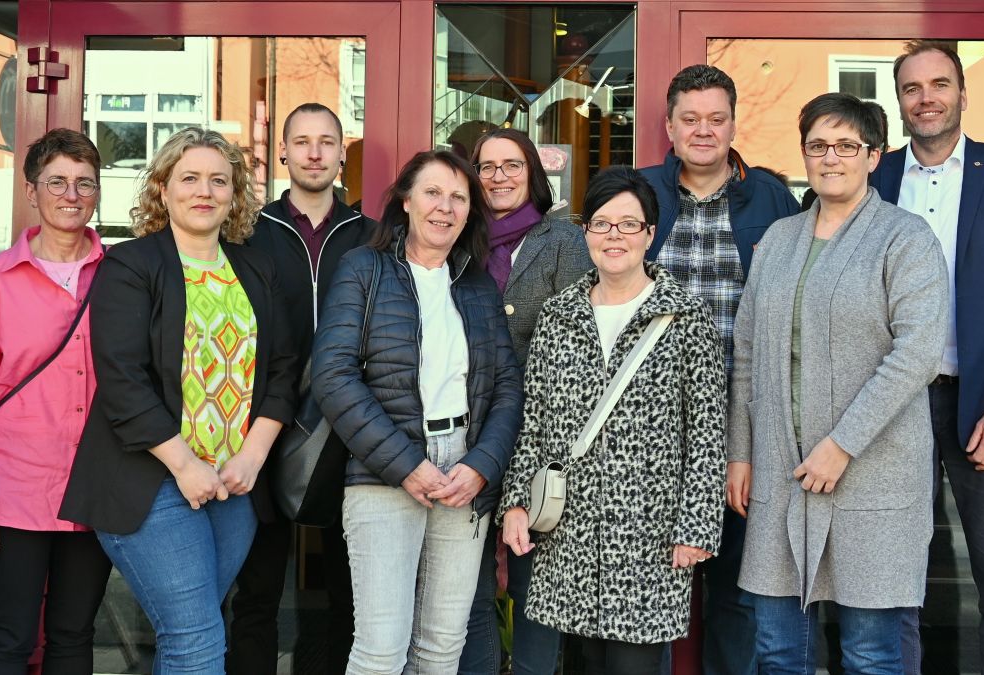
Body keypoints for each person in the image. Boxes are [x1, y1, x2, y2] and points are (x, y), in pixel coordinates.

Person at [58, 126, 298, 673]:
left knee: (195, 631)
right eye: (189, 178)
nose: (204, 191)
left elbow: (283, 369)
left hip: (234, 483)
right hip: (153, 480)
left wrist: (253, 456)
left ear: (235, 194)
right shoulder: (132, 265)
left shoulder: (255, 268)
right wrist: (186, 465)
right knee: (196, 638)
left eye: (219, 180)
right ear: (163, 189)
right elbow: (123, 380)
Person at [726, 93, 948, 675]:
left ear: (874, 156)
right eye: (818, 146)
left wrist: (841, 444)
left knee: (871, 655)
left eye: (847, 146)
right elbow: (746, 352)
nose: (832, 158)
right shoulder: (778, 240)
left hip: (872, 473)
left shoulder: (905, 238)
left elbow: (917, 353)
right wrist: (740, 454)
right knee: (777, 651)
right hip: (782, 472)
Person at [498, 165, 727, 675]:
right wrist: (515, 503)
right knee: (582, 662)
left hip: (650, 534)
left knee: (634, 664)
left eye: (629, 224)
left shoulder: (685, 318)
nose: (614, 236)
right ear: (586, 233)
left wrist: (696, 527)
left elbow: (708, 435)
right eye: (602, 224)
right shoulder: (559, 315)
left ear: (650, 233)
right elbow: (534, 417)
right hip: (568, 532)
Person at [311, 150, 523, 674]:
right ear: (405, 200)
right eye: (432, 193)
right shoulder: (364, 268)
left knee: (441, 648)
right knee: (381, 649)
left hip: (464, 474)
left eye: (458, 198)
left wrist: (482, 466)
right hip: (383, 471)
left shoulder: (476, 285)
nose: (444, 208)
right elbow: (333, 375)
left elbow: (507, 389)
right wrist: (407, 464)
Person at [638, 64, 799, 675]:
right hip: (651, 423)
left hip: (745, 424)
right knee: (649, 583)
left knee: (737, 590)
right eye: (690, 119)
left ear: (734, 124)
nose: (703, 131)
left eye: (716, 119)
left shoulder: (773, 198)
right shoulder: (639, 191)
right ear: (669, 125)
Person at [0, 128, 112, 674]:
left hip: (94, 489)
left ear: (98, 193)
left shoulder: (120, 276)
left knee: (73, 636)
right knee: (8, 638)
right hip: (14, 491)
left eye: (84, 183)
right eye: (57, 182)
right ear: (31, 190)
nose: (72, 195)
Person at [228, 103, 376, 675]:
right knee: (258, 591)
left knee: (347, 589)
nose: (315, 152)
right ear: (283, 152)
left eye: (327, 142)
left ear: (343, 153)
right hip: (260, 427)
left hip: (346, 430)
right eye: (302, 141)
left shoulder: (370, 236)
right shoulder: (248, 233)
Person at [868, 40, 984, 675]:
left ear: (962, 94)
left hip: (978, 402)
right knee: (897, 575)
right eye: (913, 88)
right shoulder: (874, 178)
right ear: (899, 99)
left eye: (940, 84)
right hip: (896, 400)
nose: (927, 99)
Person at [459, 127, 590, 675]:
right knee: (467, 586)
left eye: (512, 165)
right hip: (464, 438)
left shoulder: (562, 241)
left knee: (537, 587)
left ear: (533, 174)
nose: (499, 177)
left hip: (538, 437)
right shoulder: (456, 241)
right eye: (487, 167)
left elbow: (580, 349)